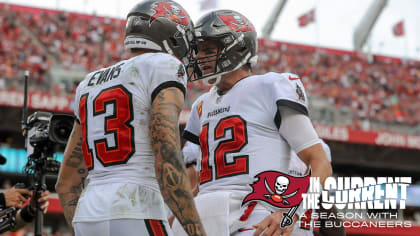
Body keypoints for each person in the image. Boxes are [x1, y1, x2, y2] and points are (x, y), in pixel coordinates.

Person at [175, 9, 332, 236]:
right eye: (198, 51)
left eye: (208, 50)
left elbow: (320, 163)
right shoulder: (202, 104)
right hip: (210, 214)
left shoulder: (270, 86)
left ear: (238, 49)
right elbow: (211, 178)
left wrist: (291, 212)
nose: (199, 57)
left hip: (258, 214)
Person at [55, 1, 206, 235]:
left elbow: (65, 183)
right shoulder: (165, 65)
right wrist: (196, 231)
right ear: (172, 35)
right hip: (137, 206)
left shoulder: (89, 82)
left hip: (87, 214)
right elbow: (167, 158)